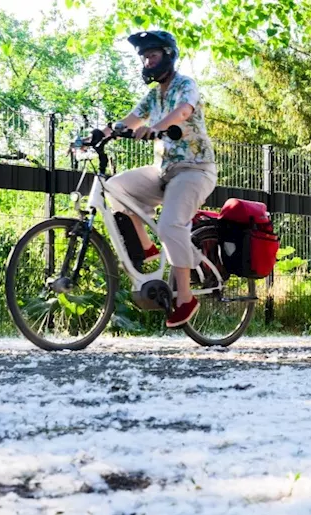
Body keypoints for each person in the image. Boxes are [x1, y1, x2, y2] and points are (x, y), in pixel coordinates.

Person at [105, 30, 218, 327]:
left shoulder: (185, 85)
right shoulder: (154, 95)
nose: (147, 62)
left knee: (170, 224)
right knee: (115, 187)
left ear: (168, 55)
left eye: (152, 55)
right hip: (164, 171)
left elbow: (183, 111)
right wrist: (100, 134)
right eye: (144, 57)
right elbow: (129, 120)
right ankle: (147, 247)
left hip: (194, 169)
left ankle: (185, 297)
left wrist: (156, 127)